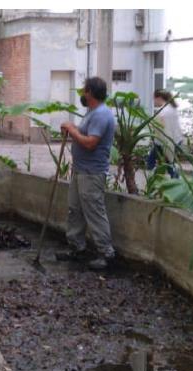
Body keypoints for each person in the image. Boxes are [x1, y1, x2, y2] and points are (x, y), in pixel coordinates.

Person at [55, 77, 117, 271]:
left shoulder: (101, 114)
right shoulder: (91, 113)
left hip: (92, 173)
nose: (82, 93)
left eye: (84, 90)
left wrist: (72, 130)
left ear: (90, 92)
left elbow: (90, 143)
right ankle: (77, 247)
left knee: (94, 212)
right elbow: (83, 135)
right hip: (81, 170)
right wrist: (72, 130)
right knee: (75, 209)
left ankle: (106, 254)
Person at [145, 89, 182, 178]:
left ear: (159, 98)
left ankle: (154, 180)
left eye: (154, 99)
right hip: (175, 140)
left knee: (156, 162)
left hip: (165, 142)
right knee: (167, 162)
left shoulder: (163, 112)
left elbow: (162, 128)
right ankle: (173, 180)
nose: (154, 101)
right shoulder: (172, 108)